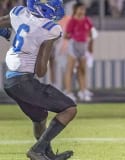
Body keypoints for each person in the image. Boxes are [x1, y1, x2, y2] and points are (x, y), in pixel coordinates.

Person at [1, 0, 77, 159]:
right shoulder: (50, 29)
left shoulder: (19, 13)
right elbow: (41, 71)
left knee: (40, 118)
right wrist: (46, 52)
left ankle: (46, 154)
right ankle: (37, 149)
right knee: (69, 109)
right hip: (24, 81)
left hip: (9, 81)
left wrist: (10, 35)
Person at [64, 2, 94, 102]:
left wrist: (90, 47)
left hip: (83, 45)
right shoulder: (72, 21)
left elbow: (90, 34)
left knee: (82, 69)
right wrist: (73, 36)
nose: (82, 11)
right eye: (80, 9)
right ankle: (68, 91)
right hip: (73, 45)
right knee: (70, 69)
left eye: (83, 9)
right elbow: (66, 35)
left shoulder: (87, 21)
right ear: (75, 10)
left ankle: (83, 90)